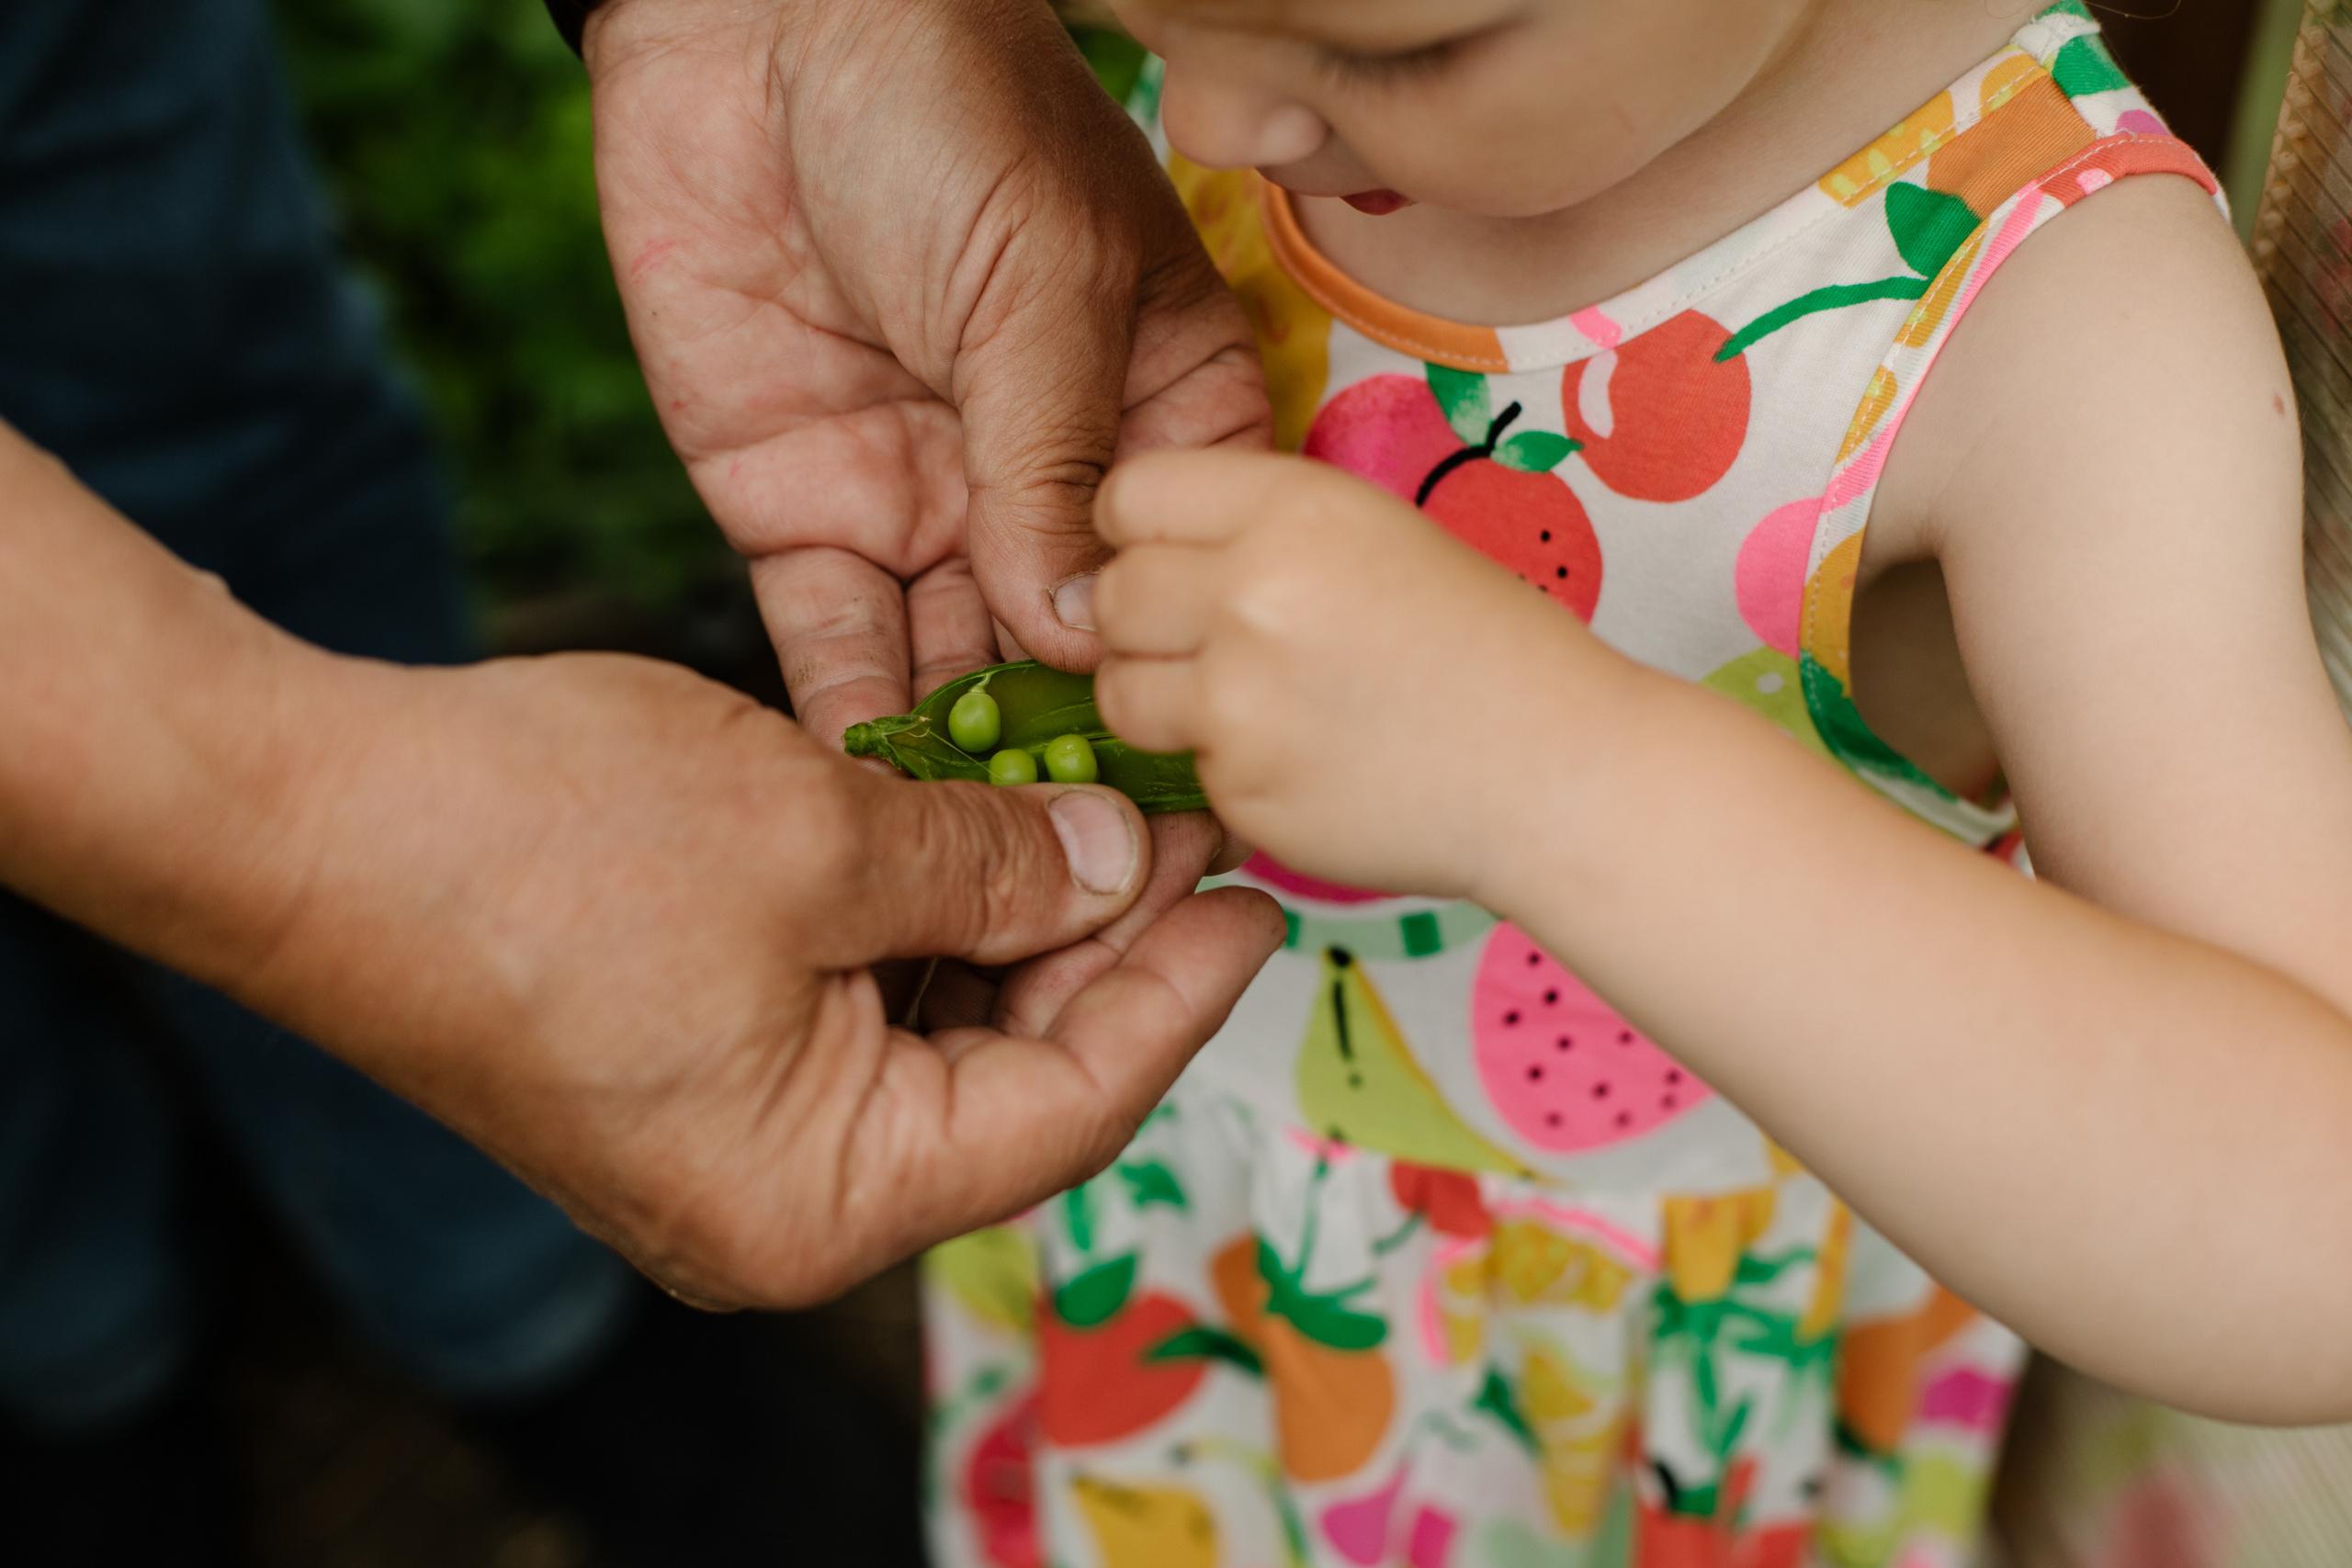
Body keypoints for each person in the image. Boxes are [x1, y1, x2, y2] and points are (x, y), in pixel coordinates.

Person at [909, 2, 2352, 1565]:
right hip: (1177, 1271)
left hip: (1583, 1426)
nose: (1206, 123)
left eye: (1400, 58)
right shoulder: (1301, 68)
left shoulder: (2058, 322)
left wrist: (1554, 776)